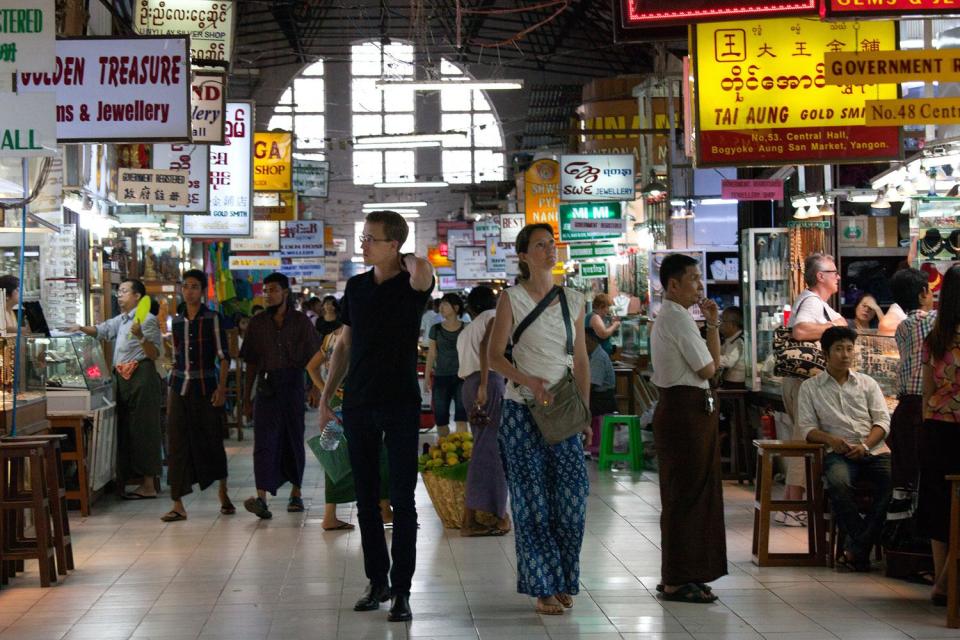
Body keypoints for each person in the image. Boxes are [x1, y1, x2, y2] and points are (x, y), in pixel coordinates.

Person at [320, 210, 434, 623]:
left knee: (403, 501)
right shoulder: (356, 286)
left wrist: (407, 258)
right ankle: (377, 582)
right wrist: (327, 397)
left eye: (371, 238)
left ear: (393, 245)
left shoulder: (412, 285)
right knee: (366, 500)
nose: (363, 244)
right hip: (360, 402)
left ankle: (402, 590)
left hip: (401, 401)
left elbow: (424, 271)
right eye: (363, 236)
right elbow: (344, 346)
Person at [488, 223, 591, 616]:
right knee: (532, 504)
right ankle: (543, 586)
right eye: (540, 246)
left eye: (552, 244)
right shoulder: (510, 300)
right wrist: (526, 379)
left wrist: (583, 411)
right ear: (524, 256)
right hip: (521, 413)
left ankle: (564, 577)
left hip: (562, 411)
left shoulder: (574, 299)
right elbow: (495, 356)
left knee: (571, 499)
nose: (550, 251)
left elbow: (580, 360)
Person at [649, 253, 726, 604]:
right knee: (685, 495)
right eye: (693, 279)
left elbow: (712, 364)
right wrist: (707, 330)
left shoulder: (680, 316)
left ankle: (690, 572)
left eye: (699, 278)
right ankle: (677, 578)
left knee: (696, 493)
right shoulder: (676, 318)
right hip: (684, 414)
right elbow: (709, 370)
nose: (699, 285)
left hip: (693, 411)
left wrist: (711, 325)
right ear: (674, 284)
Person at [799, 326, 892, 572]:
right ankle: (862, 545)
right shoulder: (810, 388)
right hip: (838, 453)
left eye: (849, 348)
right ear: (826, 354)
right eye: (839, 349)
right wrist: (831, 440)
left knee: (895, 484)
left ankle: (855, 548)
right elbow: (807, 429)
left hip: (873, 450)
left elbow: (882, 422)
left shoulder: (868, 383)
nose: (845, 354)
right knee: (838, 483)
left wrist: (865, 445)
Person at [240, 272, 322, 519]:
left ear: (285, 293)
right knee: (264, 442)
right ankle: (261, 498)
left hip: (293, 383)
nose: (268, 294)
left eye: (273, 290)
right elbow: (251, 363)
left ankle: (296, 494)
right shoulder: (257, 323)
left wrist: (315, 388)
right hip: (267, 387)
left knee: (293, 439)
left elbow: (315, 357)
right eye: (265, 291)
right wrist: (246, 399)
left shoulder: (300, 322)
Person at [71, 279, 162, 499]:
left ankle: (149, 484)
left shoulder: (147, 320)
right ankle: (127, 478)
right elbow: (102, 331)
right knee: (125, 429)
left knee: (144, 428)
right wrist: (80, 328)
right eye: (118, 291)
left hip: (141, 376)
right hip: (122, 377)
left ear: (137, 296)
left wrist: (140, 335)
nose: (119, 295)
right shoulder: (121, 320)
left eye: (123, 291)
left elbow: (154, 353)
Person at [161, 270, 234, 522]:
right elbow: (175, 357)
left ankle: (223, 493)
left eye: (194, 286)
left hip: (206, 388)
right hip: (179, 387)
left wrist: (222, 389)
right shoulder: (177, 321)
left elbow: (224, 357)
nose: (189, 291)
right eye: (185, 286)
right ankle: (178, 503)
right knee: (177, 443)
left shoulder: (213, 318)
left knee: (212, 440)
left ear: (202, 291)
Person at [781, 253, 847, 526]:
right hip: (804, 382)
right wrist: (837, 325)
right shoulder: (810, 301)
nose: (838, 276)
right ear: (820, 276)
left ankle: (794, 503)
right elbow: (800, 331)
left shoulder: (814, 302)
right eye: (833, 272)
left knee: (805, 442)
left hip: (803, 383)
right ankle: (793, 505)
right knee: (804, 442)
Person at [919, 264, 960, 606]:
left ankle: (941, 578)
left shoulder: (935, 336)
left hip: (936, 426)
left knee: (939, 504)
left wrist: (928, 422)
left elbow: (927, 389)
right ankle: (946, 581)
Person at [456, 285, 509, 537]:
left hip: (468, 385)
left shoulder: (467, 329)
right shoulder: (493, 318)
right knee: (493, 449)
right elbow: (489, 346)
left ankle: (476, 514)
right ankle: (495, 514)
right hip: (485, 383)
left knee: (483, 446)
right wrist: (486, 384)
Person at [889, 268, 935, 488]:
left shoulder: (902, 326)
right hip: (922, 406)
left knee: (906, 475)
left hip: (904, 407)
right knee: (923, 473)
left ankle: (904, 519)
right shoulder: (930, 321)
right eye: (930, 291)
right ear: (922, 293)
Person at [425, 293, 467, 436]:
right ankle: (444, 452)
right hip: (441, 377)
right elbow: (431, 354)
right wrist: (426, 379)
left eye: (445, 304)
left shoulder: (466, 328)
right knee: (441, 419)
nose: (441, 307)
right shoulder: (435, 329)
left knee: (462, 418)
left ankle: (463, 452)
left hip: (462, 377)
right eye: (441, 304)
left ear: (456, 307)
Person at [718, 306, 745, 388]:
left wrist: (710, 359)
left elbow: (729, 361)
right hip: (728, 383)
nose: (720, 324)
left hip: (735, 385)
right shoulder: (730, 340)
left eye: (723, 321)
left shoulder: (739, 341)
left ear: (732, 324)